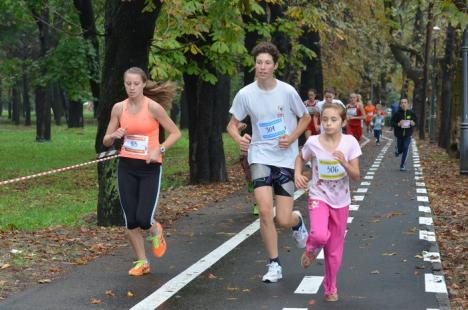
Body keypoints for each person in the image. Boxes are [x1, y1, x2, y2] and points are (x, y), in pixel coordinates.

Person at [227, 41, 310, 283]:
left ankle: (297, 222)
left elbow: (305, 118)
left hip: (285, 157)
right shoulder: (245, 94)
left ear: (275, 66)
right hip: (260, 156)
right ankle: (274, 264)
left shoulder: (287, 91)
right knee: (264, 211)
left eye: (267, 63)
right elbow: (231, 125)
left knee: (282, 219)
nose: (262, 67)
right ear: (255, 65)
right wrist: (238, 138)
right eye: (259, 62)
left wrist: (292, 137)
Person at [103, 67, 181, 276]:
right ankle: (142, 261)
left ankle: (156, 229)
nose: (132, 87)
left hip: (150, 168)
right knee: (131, 220)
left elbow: (175, 133)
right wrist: (114, 135)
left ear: (143, 84)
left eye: (136, 84)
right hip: (126, 167)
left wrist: (159, 149)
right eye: (128, 83)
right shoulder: (119, 108)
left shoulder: (153, 107)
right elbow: (106, 139)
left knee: (144, 218)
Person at [294, 102, 361, 302]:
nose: (328, 123)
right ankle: (311, 249)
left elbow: (356, 175)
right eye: (324, 119)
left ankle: (330, 288)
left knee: (333, 251)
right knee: (320, 234)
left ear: (343, 121)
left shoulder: (350, 143)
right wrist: (298, 173)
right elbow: (300, 158)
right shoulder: (313, 142)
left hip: (341, 201)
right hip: (319, 195)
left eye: (333, 119)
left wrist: (344, 163)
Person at [237, 117, 258, 215]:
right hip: (247, 148)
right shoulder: (244, 109)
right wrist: (239, 128)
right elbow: (234, 125)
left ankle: (258, 204)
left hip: (261, 147)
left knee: (260, 177)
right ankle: (249, 181)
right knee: (250, 176)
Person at [391, 98, 417, 171]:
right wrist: (398, 124)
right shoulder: (397, 113)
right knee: (400, 150)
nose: (403, 104)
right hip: (399, 135)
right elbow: (392, 123)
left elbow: (415, 122)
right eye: (402, 103)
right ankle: (398, 150)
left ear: (407, 104)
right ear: (400, 105)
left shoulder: (411, 113)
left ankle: (402, 165)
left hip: (408, 135)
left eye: (405, 102)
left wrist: (413, 123)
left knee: (406, 148)